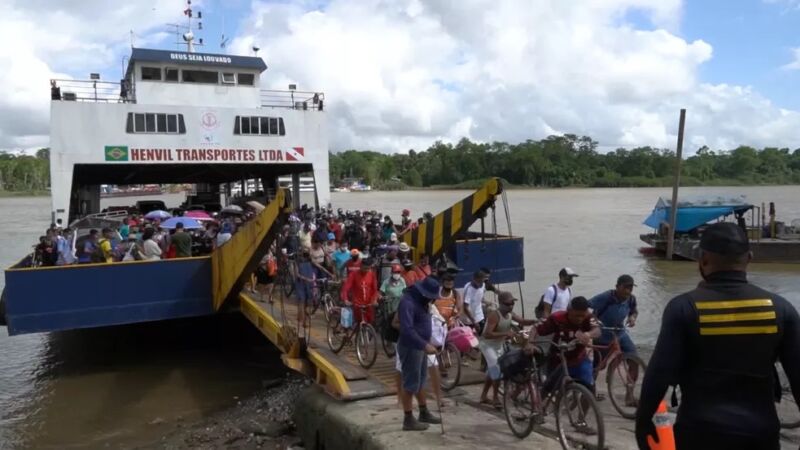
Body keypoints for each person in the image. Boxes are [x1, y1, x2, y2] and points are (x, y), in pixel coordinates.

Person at [635, 223, 800, 450]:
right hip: (760, 435)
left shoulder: (683, 309)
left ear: (702, 260)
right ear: (749, 258)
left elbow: (658, 375)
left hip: (699, 434)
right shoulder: (780, 309)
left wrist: (643, 424)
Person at [396, 277, 442, 431]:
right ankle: (408, 419)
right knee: (410, 383)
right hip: (411, 346)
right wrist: (424, 344)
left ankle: (423, 411)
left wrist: (429, 343)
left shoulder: (423, 303)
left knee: (420, 380)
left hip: (421, 346)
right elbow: (406, 329)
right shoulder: (408, 302)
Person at [528, 296, 600, 394]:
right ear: (569, 311)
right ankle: (540, 406)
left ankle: (585, 407)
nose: (580, 319)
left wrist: (589, 334)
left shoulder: (589, 317)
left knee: (590, 389)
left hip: (579, 359)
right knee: (548, 390)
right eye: (576, 315)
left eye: (582, 316)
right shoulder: (557, 318)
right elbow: (536, 328)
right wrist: (530, 343)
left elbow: (597, 330)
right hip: (558, 360)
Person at [479, 291, 536, 407]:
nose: (510, 306)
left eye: (512, 304)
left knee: (492, 371)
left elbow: (522, 321)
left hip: (498, 345)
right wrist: (506, 333)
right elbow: (487, 334)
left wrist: (535, 321)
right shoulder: (494, 315)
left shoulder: (510, 314)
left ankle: (483, 396)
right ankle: (495, 398)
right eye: (507, 304)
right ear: (500, 303)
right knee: (497, 369)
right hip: (488, 345)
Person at [589, 274, 639, 402]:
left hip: (620, 333)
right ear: (617, 287)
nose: (628, 291)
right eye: (625, 287)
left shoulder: (631, 299)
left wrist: (632, 318)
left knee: (634, 360)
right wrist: (594, 322)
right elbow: (586, 306)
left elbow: (634, 311)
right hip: (603, 335)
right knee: (598, 366)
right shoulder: (606, 297)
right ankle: (589, 392)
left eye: (631, 288)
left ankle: (629, 395)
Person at [341, 257, 379, 325]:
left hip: (368, 303)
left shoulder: (372, 275)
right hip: (357, 303)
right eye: (365, 268)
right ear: (361, 266)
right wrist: (346, 299)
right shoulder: (353, 274)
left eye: (368, 268)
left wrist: (375, 299)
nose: (366, 270)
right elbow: (345, 288)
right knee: (358, 322)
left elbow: (375, 290)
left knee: (370, 322)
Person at [462, 270, 489, 334]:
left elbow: (480, 298)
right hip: (469, 319)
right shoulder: (469, 289)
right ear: (474, 279)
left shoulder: (483, 285)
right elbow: (465, 308)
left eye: (482, 282)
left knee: (482, 334)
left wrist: (487, 302)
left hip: (479, 315)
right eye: (479, 282)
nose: (480, 284)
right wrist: (474, 322)